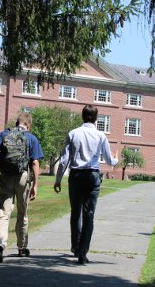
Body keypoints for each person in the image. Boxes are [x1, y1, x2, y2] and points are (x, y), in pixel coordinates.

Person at [54, 105, 118, 265]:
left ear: (82, 116)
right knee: (89, 215)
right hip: (92, 176)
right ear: (96, 118)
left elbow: (64, 160)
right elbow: (109, 161)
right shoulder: (101, 135)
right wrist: (116, 159)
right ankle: (83, 253)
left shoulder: (73, 133)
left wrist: (58, 179)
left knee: (75, 212)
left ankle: (75, 247)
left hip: (75, 175)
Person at [0, 112, 44, 263]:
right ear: (28, 125)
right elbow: (34, 163)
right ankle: (22, 247)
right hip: (22, 178)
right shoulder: (31, 138)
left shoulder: (4, 134)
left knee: (3, 213)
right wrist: (35, 185)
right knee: (22, 213)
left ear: (16, 123)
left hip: (6, 176)